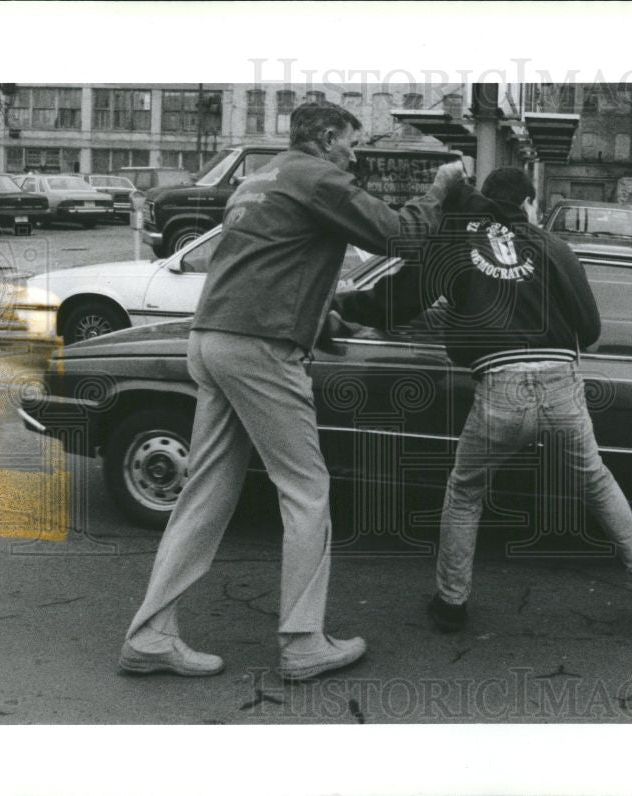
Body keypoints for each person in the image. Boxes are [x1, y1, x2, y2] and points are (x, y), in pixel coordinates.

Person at [119, 102, 466, 679]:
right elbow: (396, 235)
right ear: (327, 138)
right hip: (260, 347)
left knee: (204, 493)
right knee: (306, 489)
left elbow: (272, 263)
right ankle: (303, 641)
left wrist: (316, 315)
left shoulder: (261, 178)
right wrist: (439, 190)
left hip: (212, 338)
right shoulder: (318, 176)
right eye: (350, 144)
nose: (354, 156)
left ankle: (151, 634)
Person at [333, 167, 632, 633]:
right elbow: (591, 328)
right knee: (595, 479)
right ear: (528, 203)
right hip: (561, 383)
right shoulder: (553, 247)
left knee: (465, 491)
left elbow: (397, 300)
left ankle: (451, 603)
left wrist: (343, 308)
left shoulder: (455, 241)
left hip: (500, 387)